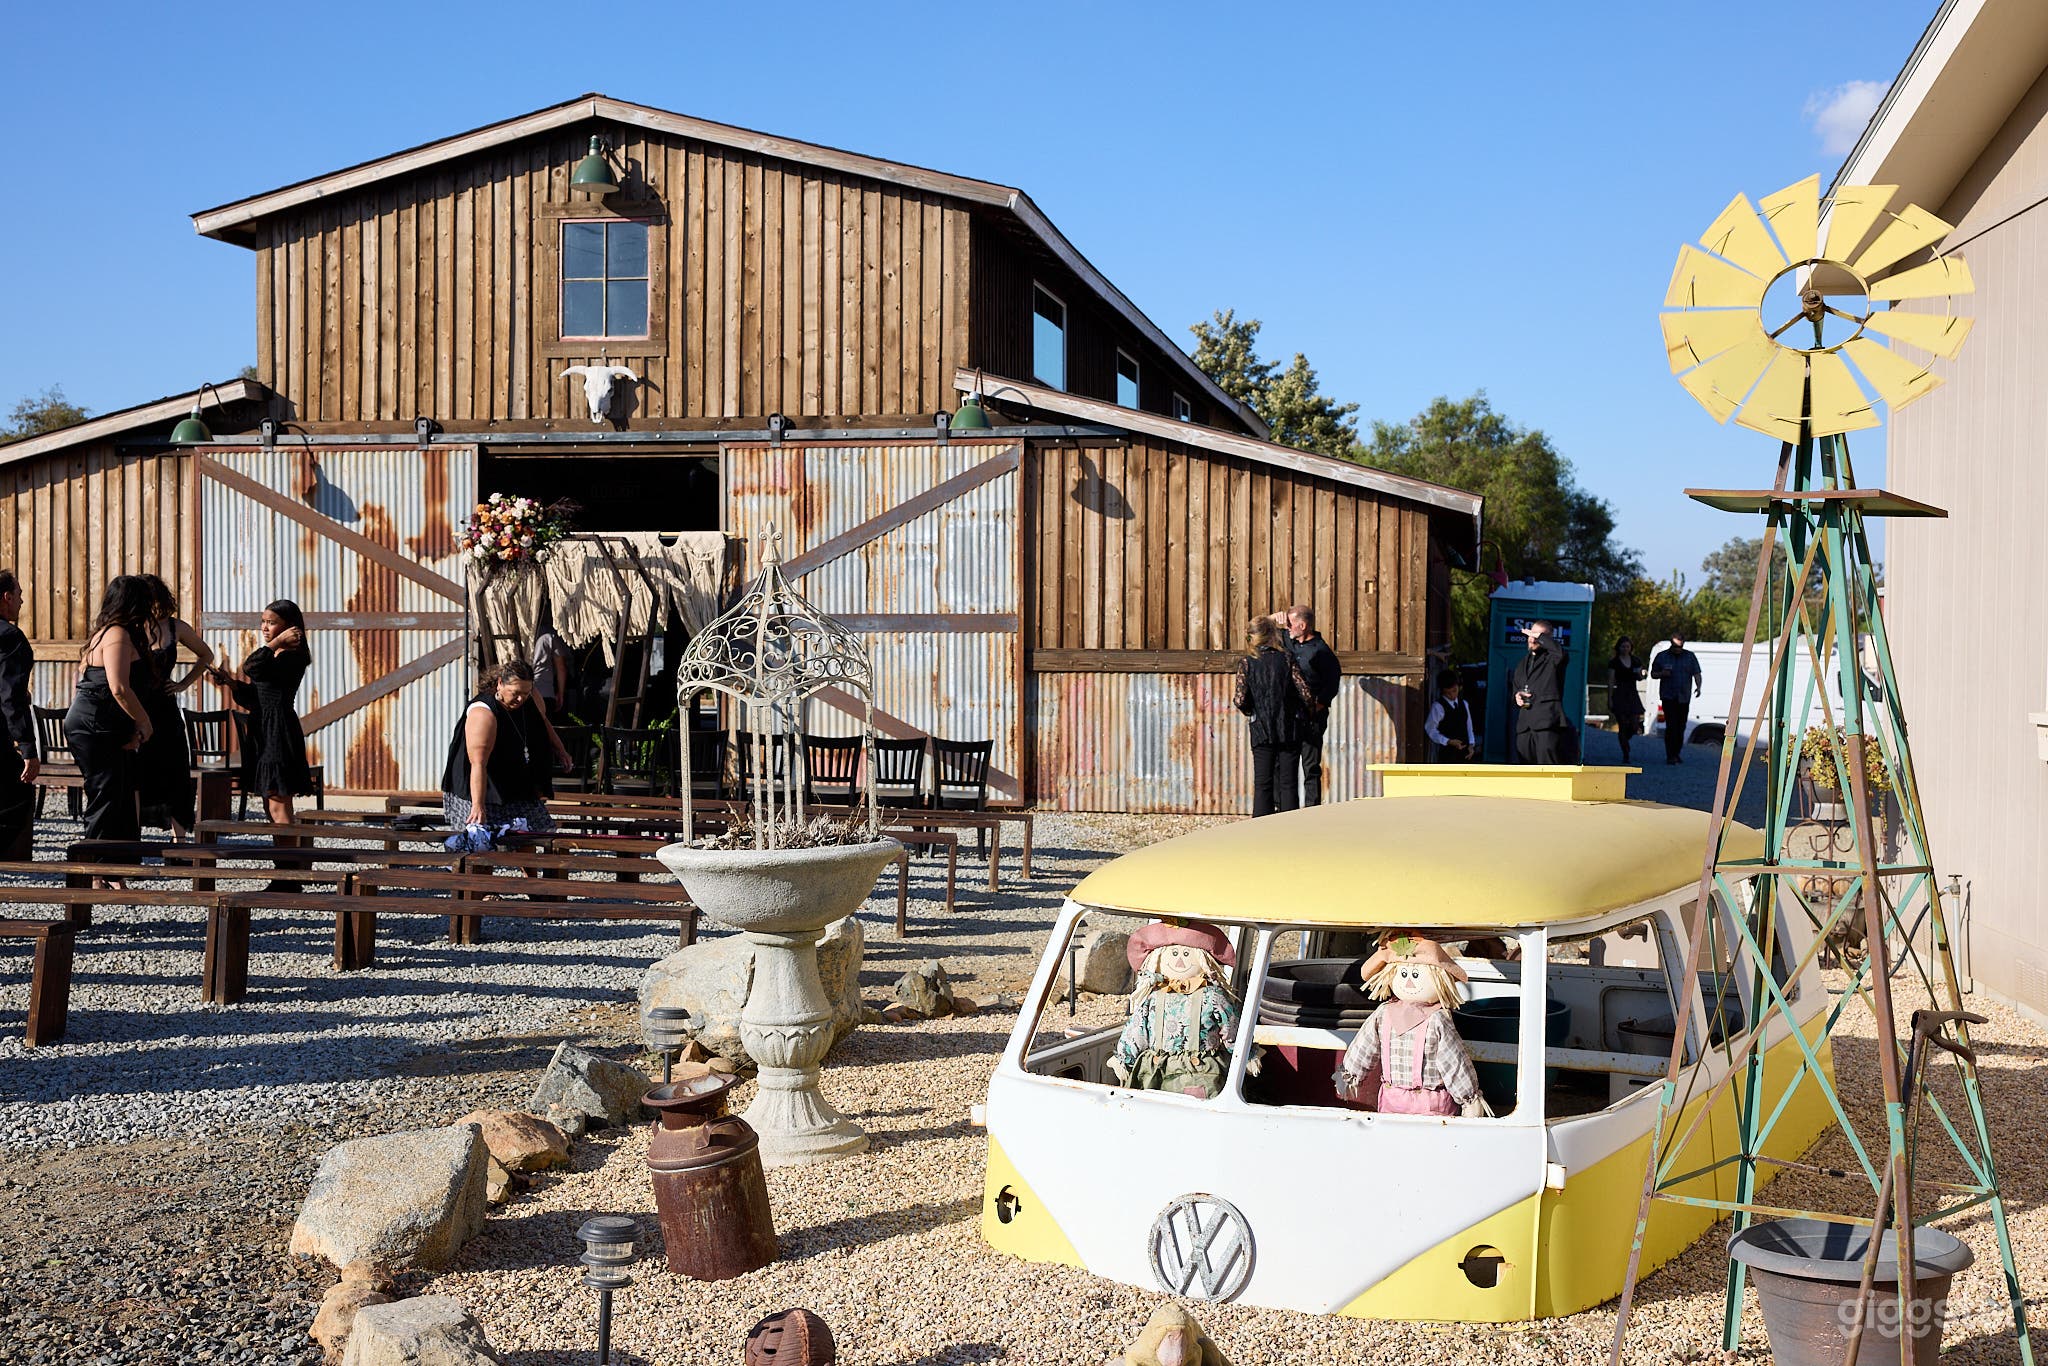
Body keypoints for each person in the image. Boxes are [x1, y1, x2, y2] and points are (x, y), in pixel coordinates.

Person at [63, 576, 156, 855]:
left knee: (120, 793)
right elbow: (118, 687)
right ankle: (94, 868)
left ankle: (115, 869)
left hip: (103, 722)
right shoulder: (116, 634)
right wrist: (144, 721)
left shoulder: (105, 633)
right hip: (96, 724)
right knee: (106, 793)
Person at [210, 600, 314, 826]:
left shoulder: (292, 656)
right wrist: (231, 683)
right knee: (270, 803)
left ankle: (291, 861)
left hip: (278, 730)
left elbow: (251, 667)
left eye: (272, 623)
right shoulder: (275, 655)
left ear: (289, 627)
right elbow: (259, 697)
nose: (265, 628)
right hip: (264, 730)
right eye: (263, 622)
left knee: (278, 802)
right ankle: (284, 860)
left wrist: (275, 642)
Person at [441, 659, 571, 834]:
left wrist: (560, 750)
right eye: (515, 693)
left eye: (526, 693)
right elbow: (478, 763)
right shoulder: (483, 713)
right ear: (500, 684)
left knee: (535, 833)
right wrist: (478, 805)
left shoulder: (530, 697)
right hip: (482, 786)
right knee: (484, 840)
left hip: (513, 778)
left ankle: (525, 862)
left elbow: (542, 722)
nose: (521, 699)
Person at [137, 575, 215, 839]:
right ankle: (131, 838)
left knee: (175, 771)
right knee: (139, 771)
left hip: (165, 709)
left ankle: (179, 838)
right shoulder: (130, 626)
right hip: (136, 707)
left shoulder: (175, 626)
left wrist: (183, 684)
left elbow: (207, 655)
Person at [1234, 616, 1318, 816]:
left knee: (1263, 783)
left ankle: (1260, 831)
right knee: (1288, 782)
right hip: (1289, 727)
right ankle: (1288, 832)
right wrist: (1307, 712)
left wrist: (1252, 711)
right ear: (1273, 635)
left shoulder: (1247, 663)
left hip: (1261, 728)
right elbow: (1306, 693)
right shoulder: (1287, 658)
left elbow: (1239, 699)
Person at [1280, 605, 1341, 804]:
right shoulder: (1289, 642)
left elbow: (1331, 685)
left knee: (1310, 765)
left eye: (1290, 623)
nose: (1287, 627)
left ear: (1303, 625)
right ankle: (1286, 808)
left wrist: (1317, 707)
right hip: (1289, 716)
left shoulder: (1322, 652)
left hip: (1311, 717)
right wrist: (1275, 617)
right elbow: (1254, 630)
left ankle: (1312, 809)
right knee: (1286, 764)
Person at [0, 570, 38, 860]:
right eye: (20, 594)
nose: (23, 601)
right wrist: (27, 747)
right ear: (7, 597)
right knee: (18, 797)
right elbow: (11, 697)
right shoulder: (10, 638)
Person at [1510, 619, 1572, 763]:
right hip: (1525, 727)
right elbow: (1515, 690)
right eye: (1530, 634)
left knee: (1548, 768)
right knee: (1526, 770)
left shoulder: (1554, 659)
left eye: (1536, 635)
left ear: (1547, 638)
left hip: (1547, 724)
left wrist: (1539, 636)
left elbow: (1560, 653)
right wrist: (1517, 696)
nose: (1532, 638)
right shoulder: (1522, 663)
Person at [1650, 633, 1704, 765]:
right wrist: (1662, 673)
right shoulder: (1662, 656)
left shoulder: (1690, 656)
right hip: (1668, 696)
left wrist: (1698, 687)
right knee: (1671, 726)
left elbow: (1696, 673)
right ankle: (1670, 755)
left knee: (1681, 727)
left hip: (1684, 697)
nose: (1677, 649)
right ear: (1671, 644)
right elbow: (1653, 674)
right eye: (1675, 646)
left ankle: (1677, 753)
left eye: (1680, 647)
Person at [1608, 636, 1647, 765]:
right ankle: (1625, 752)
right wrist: (1610, 698)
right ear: (1619, 647)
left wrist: (1642, 673)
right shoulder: (1614, 662)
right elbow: (1611, 681)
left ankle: (1626, 739)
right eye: (1623, 646)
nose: (1625, 649)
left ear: (1631, 648)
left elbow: (1640, 677)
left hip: (1632, 694)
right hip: (1620, 694)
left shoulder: (1636, 661)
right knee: (1623, 725)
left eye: (1627, 646)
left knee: (1635, 724)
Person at [1423, 670, 1477, 762]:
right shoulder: (1438, 707)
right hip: (1448, 755)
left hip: (1466, 754)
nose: (1452, 695)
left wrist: (1471, 745)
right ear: (1442, 691)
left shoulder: (1464, 704)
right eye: (1448, 693)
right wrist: (1448, 741)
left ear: (1458, 687)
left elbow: (1469, 727)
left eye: (1454, 691)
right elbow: (1430, 729)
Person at [530, 616, 571, 726]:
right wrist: (561, 693)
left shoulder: (517, 632)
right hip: (545, 692)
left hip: (523, 693)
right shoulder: (548, 635)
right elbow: (561, 668)